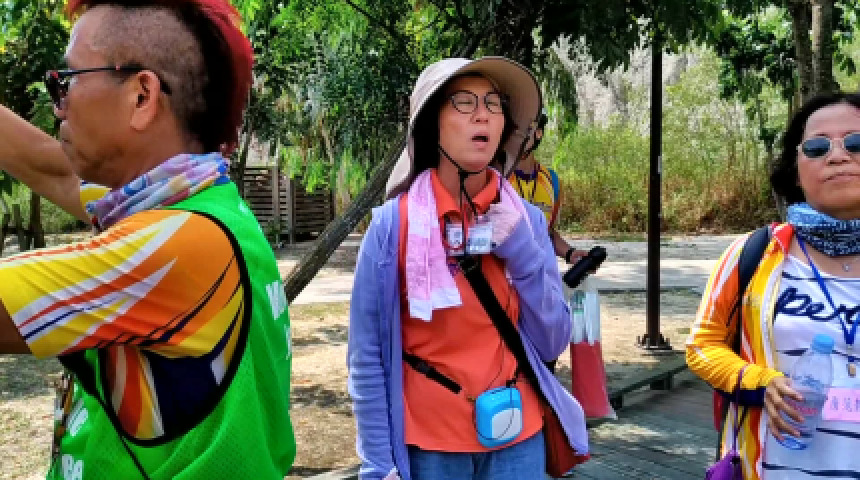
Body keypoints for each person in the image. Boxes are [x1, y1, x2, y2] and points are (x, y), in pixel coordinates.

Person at [0, 1, 295, 478]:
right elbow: (47, 168)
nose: (59, 104)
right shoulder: (205, 205)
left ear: (142, 96)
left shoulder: (180, 245)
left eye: (66, 81)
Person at [347, 57, 589, 480]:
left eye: (493, 104)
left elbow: (552, 341)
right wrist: (378, 465)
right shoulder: (393, 226)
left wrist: (523, 253)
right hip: (431, 446)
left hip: (518, 439)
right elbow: (367, 357)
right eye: (463, 102)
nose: (482, 115)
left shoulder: (527, 221)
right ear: (431, 124)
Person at [687, 92, 860, 479]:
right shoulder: (754, 254)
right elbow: (702, 346)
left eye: (856, 142)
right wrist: (762, 384)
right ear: (797, 171)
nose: (838, 156)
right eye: (817, 147)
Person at [508, 112, 588, 266]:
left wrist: (570, 253)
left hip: (540, 273)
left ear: (538, 133)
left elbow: (547, 232)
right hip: (504, 274)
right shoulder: (496, 177)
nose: (516, 134)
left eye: (525, 128)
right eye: (513, 128)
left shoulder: (551, 180)